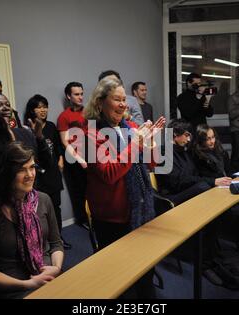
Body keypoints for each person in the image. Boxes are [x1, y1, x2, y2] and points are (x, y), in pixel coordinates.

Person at [84, 76, 165, 298]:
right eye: (117, 99)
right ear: (100, 103)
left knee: (146, 271)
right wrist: (136, 144)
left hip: (140, 212)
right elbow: (109, 174)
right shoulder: (90, 134)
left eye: (124, 100)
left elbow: (151, 164)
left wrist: (151, 143)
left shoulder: (129, 126)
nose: (123, 104)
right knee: (119, 279)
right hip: (113, 219)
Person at [0, 142, 63, 298]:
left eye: (32, 167)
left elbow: (56, 244)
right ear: (6, 174)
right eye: (21, 169)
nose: (30, 174)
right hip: (13, 288)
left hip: (49, 276)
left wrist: (56, 267)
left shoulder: (43, 200)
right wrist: (28, 284)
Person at [0, 92, 51, 188]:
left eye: (8, 104)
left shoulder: (24, 133)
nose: (6, 108)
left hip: (33, 194)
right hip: (6, 198)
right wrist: (12, 141)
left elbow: (46, 162)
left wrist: (40, 137)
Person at [24, 94, 71, 249]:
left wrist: (60, 159)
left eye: (45, 106)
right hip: (36, 174)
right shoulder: (26, 128)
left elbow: (58, 147)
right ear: (32, 110)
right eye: (39, 107)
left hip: (52, 172)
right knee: (37, 209)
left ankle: (58, 238)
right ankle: (41, 243)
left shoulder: (50, 126)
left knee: (55, 207)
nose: (43, 110)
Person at [157, 120, 231, 206]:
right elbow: (177, 182)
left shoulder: (184, 151)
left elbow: (194, 175)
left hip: (186, 190)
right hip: (172, 197)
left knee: (210, 186)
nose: (188, 139)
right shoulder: (162, 152)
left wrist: (213, 180)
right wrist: (212, 181)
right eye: (186, 135)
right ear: (175, 134)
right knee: (204, 186)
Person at [57, 82, 88, 228]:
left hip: (92, 155)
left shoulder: (89, 112)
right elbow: (65, 142)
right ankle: (83, 220)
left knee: (93, 189)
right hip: (74, 158)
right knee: (78, 191)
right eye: (76, 94)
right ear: (69, 96)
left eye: (81, 93)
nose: (80, 97)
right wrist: (79, 159)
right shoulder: (64, 116)